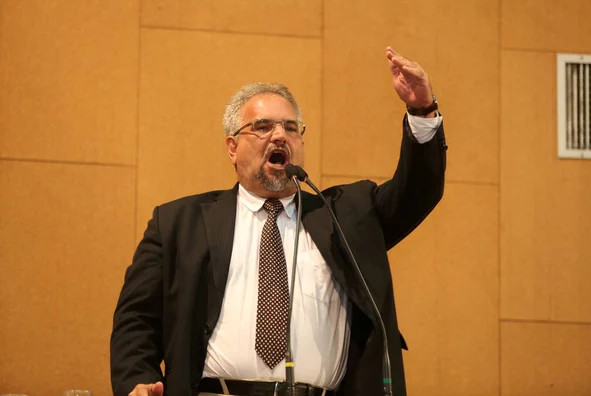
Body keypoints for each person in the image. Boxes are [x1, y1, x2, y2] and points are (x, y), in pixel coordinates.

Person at [110, 46, 447, 396]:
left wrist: (422, 111)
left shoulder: (347, 216)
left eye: (290, 127)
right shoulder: (177, 224)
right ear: (232, 147)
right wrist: (138, 382)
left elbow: (418, 191)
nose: (280, 135)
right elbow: (137, 321)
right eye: (262, 126)